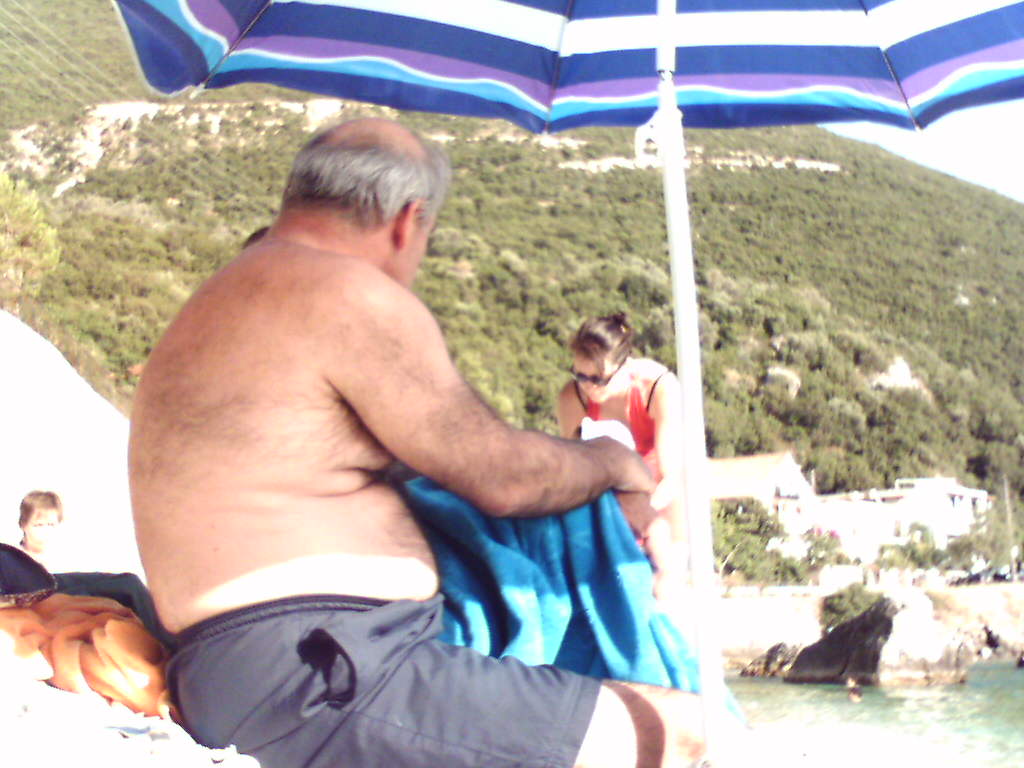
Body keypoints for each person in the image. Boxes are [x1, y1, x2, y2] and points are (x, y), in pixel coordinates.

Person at [129, 118, 717, 768]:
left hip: (264, 665)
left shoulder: (229, 295)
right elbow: (502, 475)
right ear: (409, 220)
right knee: (684, 733)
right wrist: (613, 462)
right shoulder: (343, 291)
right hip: (318, 671)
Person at [556, 314, 687, 604]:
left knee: (665, 587)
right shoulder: (573, 396)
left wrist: (644, 515)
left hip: (658, 490)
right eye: (580, 375)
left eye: (598, 379)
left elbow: (671, 477)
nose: (589, 386)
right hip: (609, 490)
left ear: (625, 366)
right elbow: (573, 469)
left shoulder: (657, 388)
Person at [17, 490, 64, 571]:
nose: (46, 530)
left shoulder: (65, 561)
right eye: (39, 525)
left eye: (51, 524)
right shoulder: (10, 561)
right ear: (23, 524)